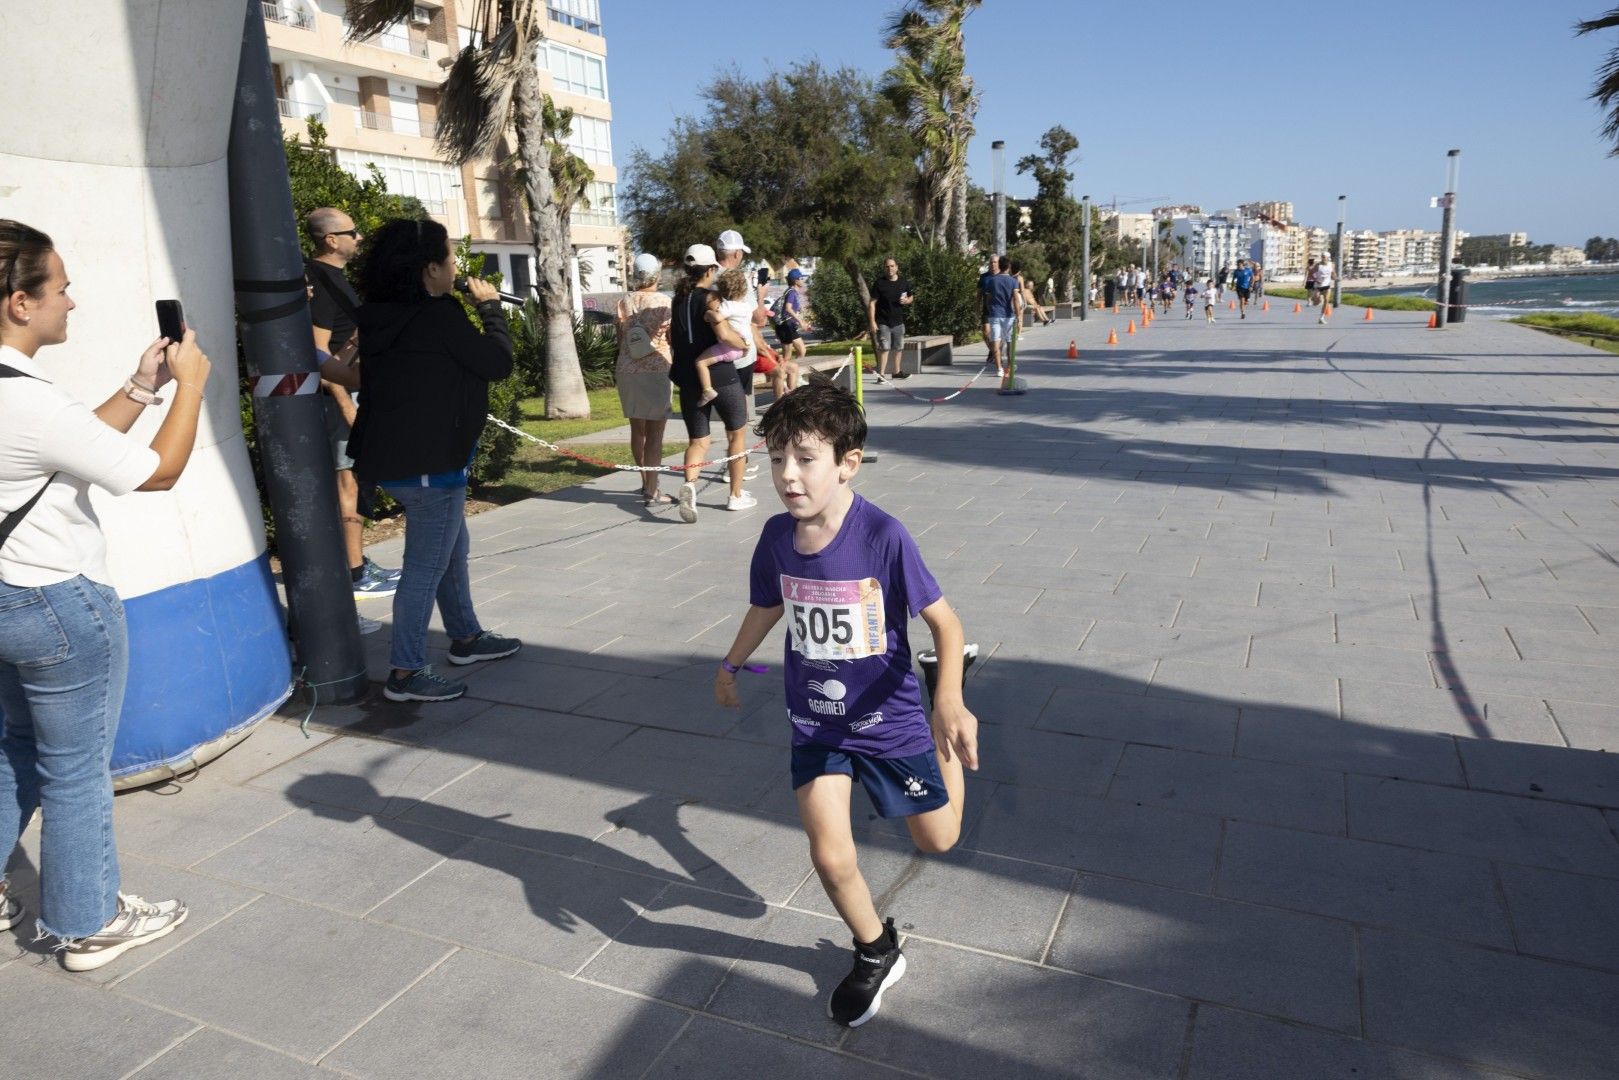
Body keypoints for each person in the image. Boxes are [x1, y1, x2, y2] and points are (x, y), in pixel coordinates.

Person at [714, 382, 977, 1029]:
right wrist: (730, 662)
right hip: (816, 722)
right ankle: (875, 951)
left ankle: (943, 727)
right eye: (775, 458)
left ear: (846, 462)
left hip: (889, 718)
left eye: (804, 458)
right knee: (830, 856)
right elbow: (768, 604)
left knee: (937, 839)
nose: (786, 475)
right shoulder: (777, 537)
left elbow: (945, 622)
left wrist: (947, 697)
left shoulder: (884, 536)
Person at [0, 219, 207, 969]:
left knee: (13, 748)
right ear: (19, 303)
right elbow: (158, 471)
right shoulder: (25, 399)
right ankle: (86, 922)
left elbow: (61, 451)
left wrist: (140, 387)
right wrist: (192, 387)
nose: (71, 303)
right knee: (76, 768)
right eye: (59, 288)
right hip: (58, 603)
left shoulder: (20, 401)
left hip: (3, 599)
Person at [348, 217, 521, 703]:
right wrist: (490, 310)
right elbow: (496, 362)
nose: (454, 268)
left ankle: (465, 636)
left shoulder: (382, 315)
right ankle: (405, 671)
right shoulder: (436, 316)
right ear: (428, 269)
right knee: (424, 567)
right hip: (431, 469)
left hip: (398, 461)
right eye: (448, 258)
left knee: (450, 552)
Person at [304, 208, 398, 600]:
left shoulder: (336, 279)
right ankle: (355, 573)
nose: (358, 238)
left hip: (360, 389)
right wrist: (344, 402)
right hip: (343, 394)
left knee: (360, 480)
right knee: (349, 481)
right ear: (330, 240)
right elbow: (318, 352)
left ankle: (356, 560)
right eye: (352, 232)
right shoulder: (321, 281)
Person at [671, 244, 755, 523]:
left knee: (698, 440)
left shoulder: (678, 299)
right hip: (722, 375)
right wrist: (743, 344)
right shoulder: (711, 298)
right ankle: (735, 495)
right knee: (737, 434)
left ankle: (690, 485)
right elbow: (723, 335)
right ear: (710, 270)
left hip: (688, 376)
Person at [615, 252, 674, 506]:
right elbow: (671, 339)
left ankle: (645, 482)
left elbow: (620, 339)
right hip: (656, 369)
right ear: (657, 274)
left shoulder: (625, 302)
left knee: (637, 431)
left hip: (627, 370)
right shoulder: (665, 302)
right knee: (655, 433)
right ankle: (653, 490)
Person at [693, 269, 751, 406]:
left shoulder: (728, 306)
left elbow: (718, 317)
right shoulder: (746, 306)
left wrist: (708, 314)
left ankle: (707, 390)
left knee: (700, 363)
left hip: (728, 347)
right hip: (742, 347)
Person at [868, 256, 914, 381]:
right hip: (883, 322)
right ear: (884, 268)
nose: (890, 268)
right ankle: (881, 375)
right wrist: (872, 321)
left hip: (898, 322)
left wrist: (907, 301)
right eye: (887, 266)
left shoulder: (903, 282)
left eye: (892, 266)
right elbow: (872, 303)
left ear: (897, 267)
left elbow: (911, 297)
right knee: (884, 347)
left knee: (898, 348)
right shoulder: (879, 283)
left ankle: (896, 372)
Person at [980, 257, 1021, 378]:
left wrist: (991, 309)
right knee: (1010, 342)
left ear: (999, 266)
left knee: (995, 341)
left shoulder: (991, 281)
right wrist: (1018, 316)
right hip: (1009, 316)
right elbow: (1016, 300)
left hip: (994, 315)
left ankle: (999, 369)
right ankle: (1010, 365)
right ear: (1008, 267)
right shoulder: (1013, 281)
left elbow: (987, 299)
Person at [772, 268, 812, 373]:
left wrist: (802, 322)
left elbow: (794, 311)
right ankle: (781, 376)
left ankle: (794, 373)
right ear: (796, 280)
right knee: (787, 357)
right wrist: (800, 322)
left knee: (801, 350)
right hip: (784, 326)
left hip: (789, 326)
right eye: (801, 278)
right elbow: (788, 309)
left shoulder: (793, 292)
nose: (803, 280)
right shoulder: (791, 292)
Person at [1311, 257, 1335, 323]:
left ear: (1328, 258)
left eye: (1325, 257)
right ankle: (1315, 299)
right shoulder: (1318, 265)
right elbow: (1312, 274)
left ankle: (1321, 318)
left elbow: (1333, 274)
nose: (1323, 259)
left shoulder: (1331, 265)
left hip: (1327, 285)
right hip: (1318, 285)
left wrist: (1336, 278)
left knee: (1326, 300)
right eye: (1323, 257)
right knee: (1316, 303)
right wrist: (1317, 280)